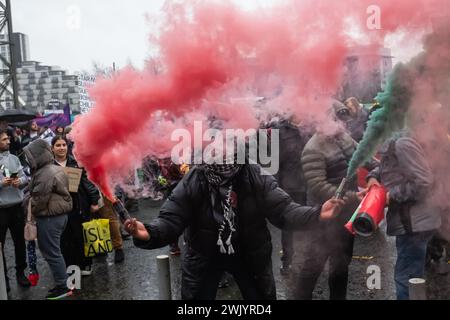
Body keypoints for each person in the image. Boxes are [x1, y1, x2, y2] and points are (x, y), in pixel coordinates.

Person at [125, 158, 344, 300]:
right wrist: (148, 232)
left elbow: (284, 209)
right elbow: (172, 217)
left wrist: (317, 213)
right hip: (204, 255)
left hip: (250, 254)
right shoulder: (195, 177)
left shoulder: (254, 173)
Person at [296, 100, 373, 300]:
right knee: (313, 266)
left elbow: (366, 156)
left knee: (341, 265)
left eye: (343, 119)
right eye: (337, 119)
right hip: (323, 218)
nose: (342, 124)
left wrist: (378, 172)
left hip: (347, 216)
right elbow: (319, 187)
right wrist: (351, 197)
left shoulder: (344, 138)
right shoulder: (313, 148)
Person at [366, 132, 441, 300]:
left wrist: (394, 194)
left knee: (406, 278)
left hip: (414, 223)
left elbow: (424, 182)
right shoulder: (394, 144)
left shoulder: (402, 144)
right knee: (414, 273)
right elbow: (388, 167)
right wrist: (372, 177)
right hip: (416, 221)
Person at [23, 139, 73, 300]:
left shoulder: (45, 173)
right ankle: (62, 283)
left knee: (52, 253)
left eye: (29, 156)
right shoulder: (51, 168)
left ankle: (62, 286)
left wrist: (30, 208)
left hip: (50, 217)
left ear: (36, 156)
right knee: (55, 251)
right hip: (58, 216)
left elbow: (40, 199)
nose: (27, 159)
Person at [264, 116, 313, 276]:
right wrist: (275, 187)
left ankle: (308, 260)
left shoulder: (309, 126)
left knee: (308, 222)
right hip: (288, 186)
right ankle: (288, 261)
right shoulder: (280, 130)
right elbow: (274, 162)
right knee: (289, 225)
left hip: (306, 184)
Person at [51, 135, 100, 275]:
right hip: (60, 208)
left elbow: (87, 182)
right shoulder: (49, 166)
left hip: (78, 205)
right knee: (65, 238)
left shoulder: (75, 162)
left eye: (63, 145)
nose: (61, 148)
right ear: (52, 148)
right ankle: (71, 266)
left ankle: (86, 264)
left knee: (81, 236)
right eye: (58, 145)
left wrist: (94, 200)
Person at [0, 129, 30, 291]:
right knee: (1, 246)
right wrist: (1, 183)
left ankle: (21, 273)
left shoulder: (13, 158)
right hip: (1, 210)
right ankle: (2, 277)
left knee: (20, 242)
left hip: (17, 208)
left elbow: (25, 176)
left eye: (8, 139)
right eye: (4, 139)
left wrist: (20, 181)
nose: (8, 141)